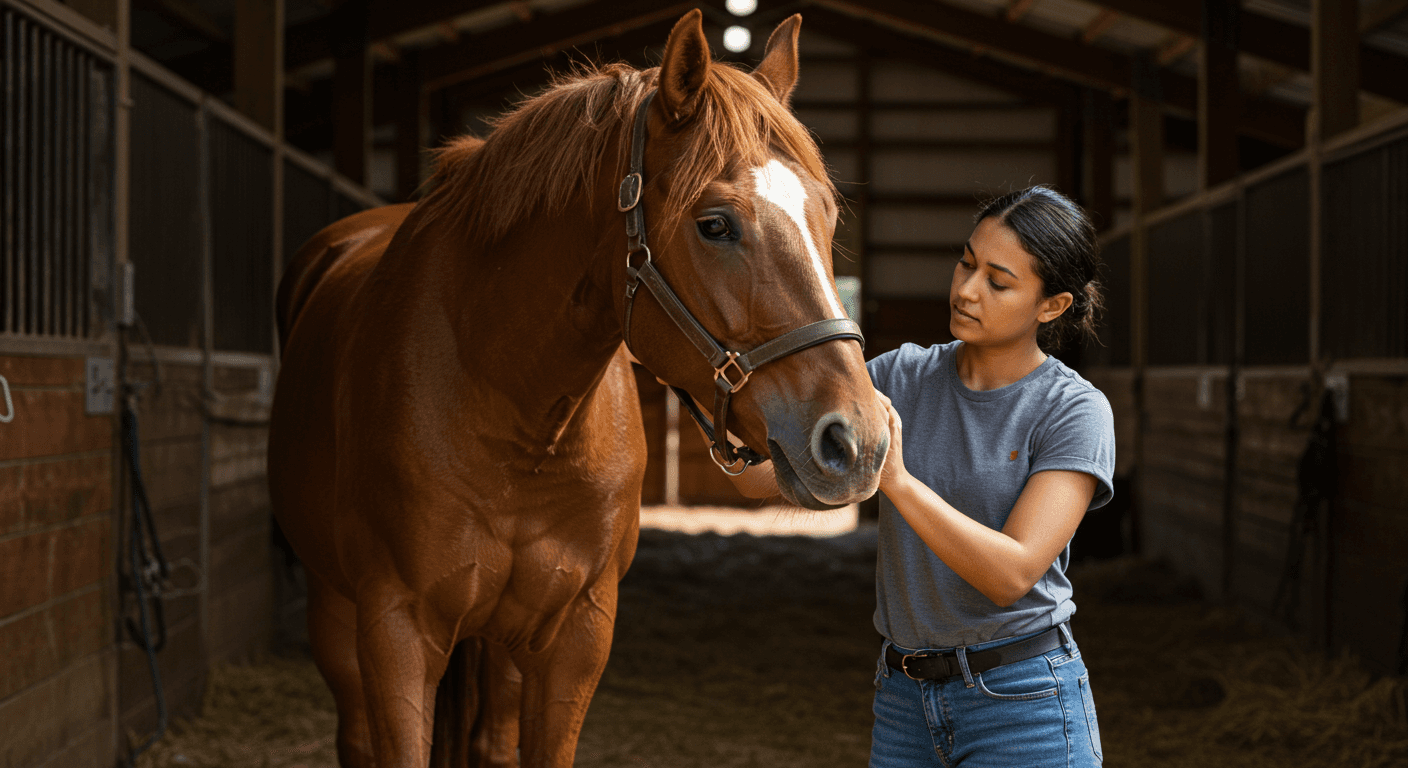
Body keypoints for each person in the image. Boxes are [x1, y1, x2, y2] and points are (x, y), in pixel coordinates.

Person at [707, 184, 1115, 766]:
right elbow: (761, 480)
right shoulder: (900, 376)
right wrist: (703, 392)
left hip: (1023, 701)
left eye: (999, 283)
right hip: (904, 700)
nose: (967, 290)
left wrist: (895, 480)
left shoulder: (1072, 410)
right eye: (966, 263)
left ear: (1051, 306)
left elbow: (1012, 572)